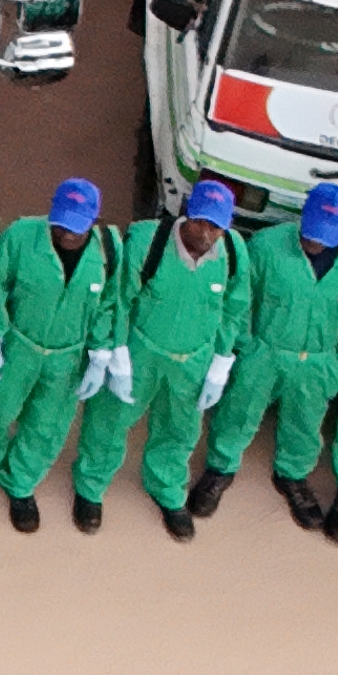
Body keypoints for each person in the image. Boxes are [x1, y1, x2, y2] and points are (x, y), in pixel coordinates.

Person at [0, 174, 120, 532]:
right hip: (19, 345)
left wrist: (101, 353)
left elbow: (107, 304)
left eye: (76, 228)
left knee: (48, 424)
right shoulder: (21, 235)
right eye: (60, 225)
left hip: (67, 357)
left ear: (94, 221)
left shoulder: (109, 249)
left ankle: (21, 483)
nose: (66, 235)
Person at [111, 183, 254, 537]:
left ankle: (168, 490)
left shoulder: (233, 253)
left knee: (180, 430)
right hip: (143, 350)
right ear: (186, 215)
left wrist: (221, 363)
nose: (207, 234)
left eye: (216, 227)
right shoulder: (148, 241)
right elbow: (119, 300)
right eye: (201, 223)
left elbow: (233, 312)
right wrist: (116, 353)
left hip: (194, 359)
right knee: (111, 419)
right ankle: (91, 485)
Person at [234, 185, 338, 540]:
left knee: (305, 423)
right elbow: (242, 297)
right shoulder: (265, 245)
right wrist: (246, 345)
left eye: (325, 237)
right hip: (265, 351)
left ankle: (292, 475)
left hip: (319, 360)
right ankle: (221, 468)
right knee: (239, 412)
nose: (315, 243)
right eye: (310, 233)